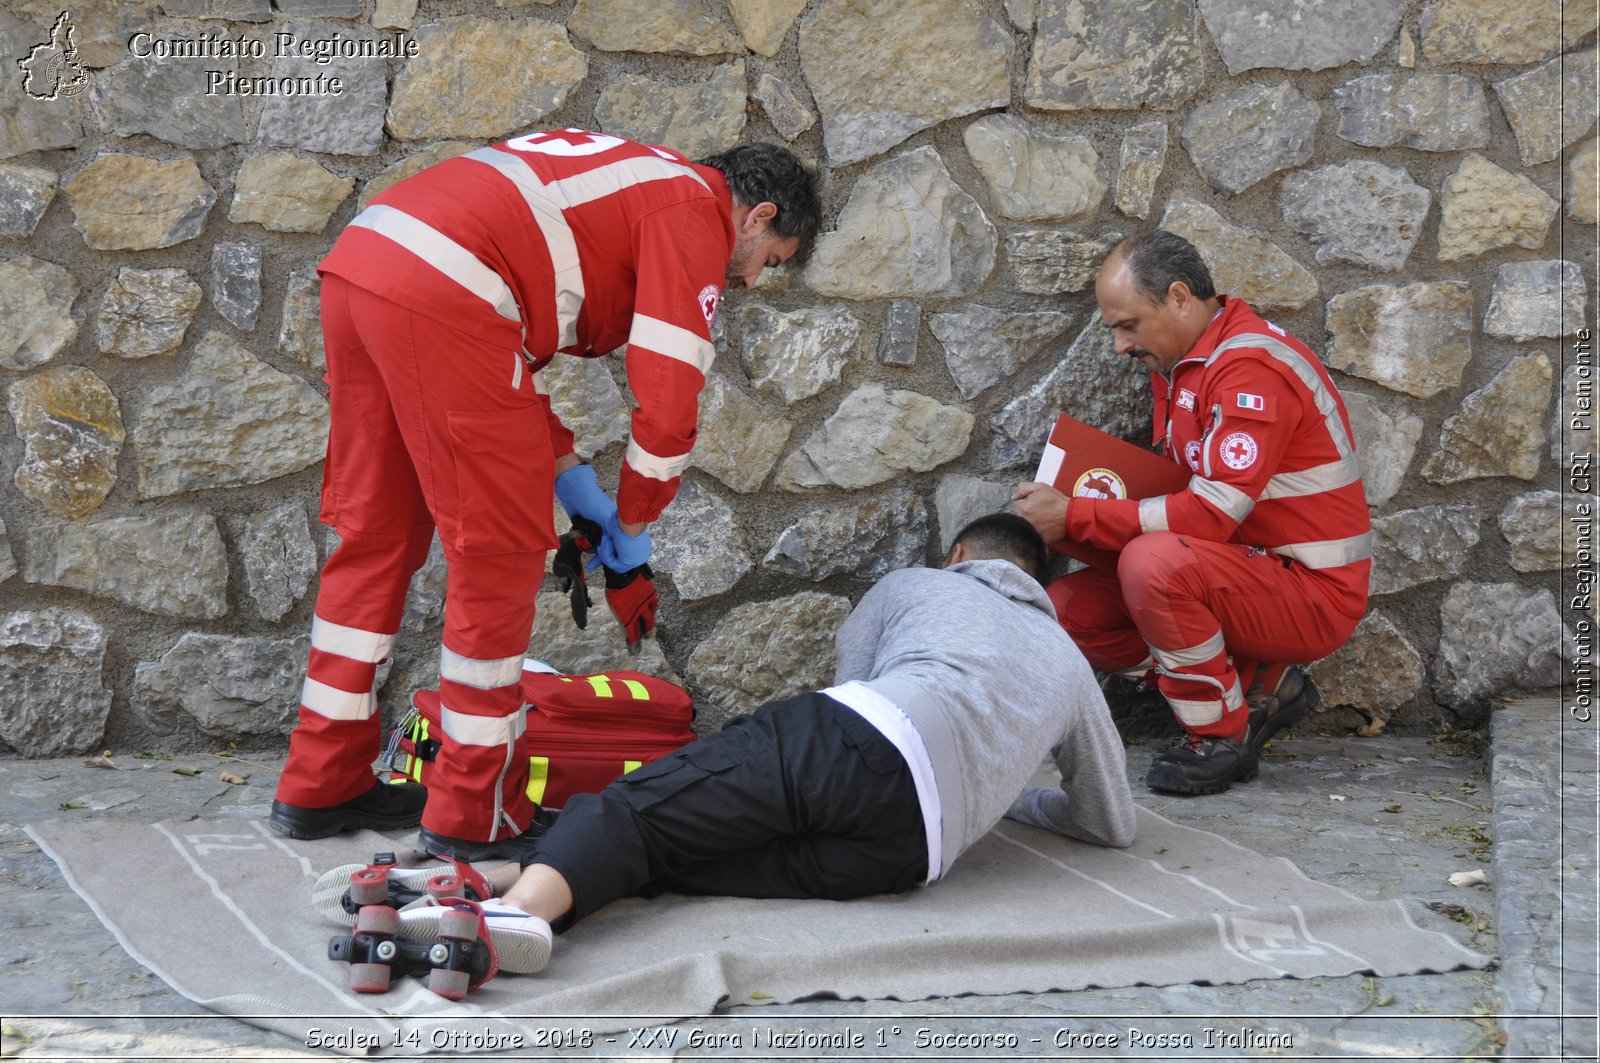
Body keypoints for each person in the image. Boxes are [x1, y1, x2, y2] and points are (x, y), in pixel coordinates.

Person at [269, 131, 823, 862]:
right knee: (495, 556)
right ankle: (475, 808)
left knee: (378, 536)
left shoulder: (631, 176)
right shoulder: (696, 210)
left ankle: (322, 779)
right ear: (757, 216)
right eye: (771, 261)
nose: (752, 280)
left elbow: (509, 355)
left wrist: (577, 487)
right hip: (449, 291)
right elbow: (667, 388)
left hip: (366, 264)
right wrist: (633, 522)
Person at [371, 513, 1137, 972]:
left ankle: (517, 917)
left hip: (860, 738)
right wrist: (1013, 798)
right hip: (907, 855)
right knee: (673, 857)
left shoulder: (920, 585)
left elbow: (852, 699)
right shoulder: (1068, 659)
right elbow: (1110, 820)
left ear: (962, 558)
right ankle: (482, 885)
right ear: (1037, 585)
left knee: (642, 811)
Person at [1013, 230, 1372, 797]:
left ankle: (1220, 737)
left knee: (1152, 564)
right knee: (1063, 615)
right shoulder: (1188, 364)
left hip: (1310, 594)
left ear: (1179, 297)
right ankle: (1258, 684)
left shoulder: (1250, 368)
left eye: (1127, 325)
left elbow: (1206, 516)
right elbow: (1176, 496)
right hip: (1240, 571)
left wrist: (1077, 517)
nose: (1119, 347)